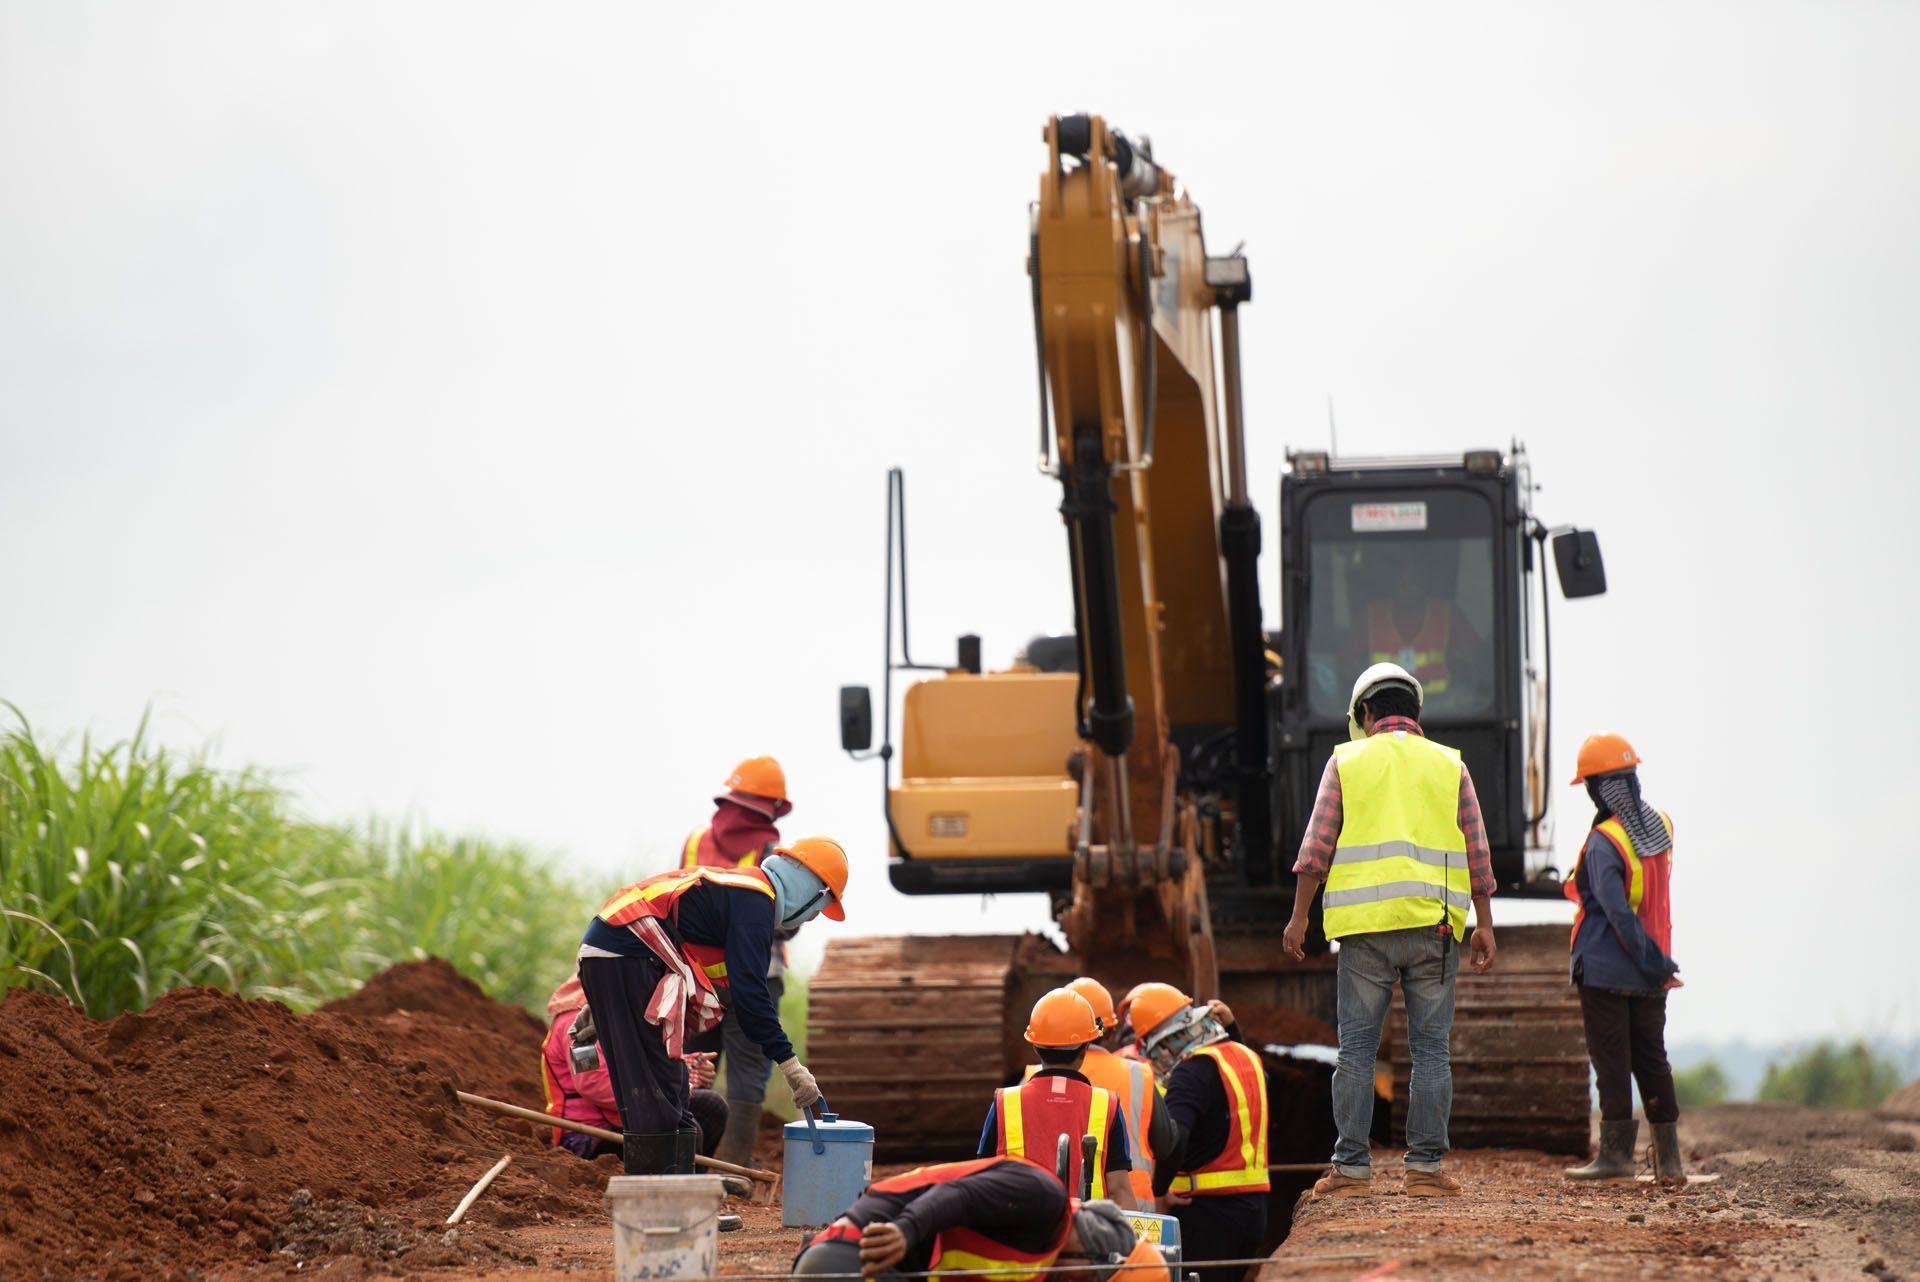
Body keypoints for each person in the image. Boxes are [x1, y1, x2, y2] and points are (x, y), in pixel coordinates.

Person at [1282, 662, 1498, 1199]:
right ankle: (1424, 1168)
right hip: (1434, 929)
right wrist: (1485, 925)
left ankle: (1351, 1169)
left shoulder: (1346, 763)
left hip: (1364, 932)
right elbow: (1477, 851)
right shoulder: (1450, 767)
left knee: (1355, 1050)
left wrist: (1299, 917)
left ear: (1364, 713)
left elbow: (1316, 850)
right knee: (1431, 1052)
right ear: (1415, 712)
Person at [574, 836, 848, 1174]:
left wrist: (606, 999)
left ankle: (680, 1197)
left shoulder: (740, 890)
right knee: (655, 1087)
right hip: (625, 957)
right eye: (821, 908)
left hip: (617, 956)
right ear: (811, 889)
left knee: (667, 1084)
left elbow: (667, 940)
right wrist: (791, 1066)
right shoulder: (755, 901)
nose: (813, 918)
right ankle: (664, 1204)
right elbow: (751, 998)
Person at [1561, 733, 1684, 1185]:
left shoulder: (1603, 842)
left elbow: (1615, 911)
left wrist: (1650, 962)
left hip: (1609, 968)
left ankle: (1615, 1157)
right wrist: (1658, 965)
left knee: (1612, 1061)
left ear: (1599, 788)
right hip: (1653, 968)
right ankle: (1669, 1163)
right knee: (1652, 1060)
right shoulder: (1662, 828)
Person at [681, 756, 798, 1168]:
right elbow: (786, 919)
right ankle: (732, 1168)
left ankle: (684, 1159)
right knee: (748, 1072)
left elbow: (677, 901)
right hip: (757, 976)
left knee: (692, 1063)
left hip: (696, 976)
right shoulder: (772, 851)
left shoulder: (696, 840)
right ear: (773, 808)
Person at [789, 1153, 1162, 1282]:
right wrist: (906, 1230)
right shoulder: (1043, 1200)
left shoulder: (1038, 1255)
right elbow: (956, 1195)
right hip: (853, 1260)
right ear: (1095, 1261)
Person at [1126, 983, 1268, 1282]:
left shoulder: (1190, 1073)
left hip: (1207, 1214)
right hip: (1253, 1210)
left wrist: (1160, 1191)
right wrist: (1234, 1029)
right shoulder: (1244, 1056)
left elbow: (1175, 1142)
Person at [538, 975, 727, 1160]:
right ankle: (682, 1186)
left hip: (626, 1117)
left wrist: (685, 1065)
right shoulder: (578, 1020)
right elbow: (592, 1083)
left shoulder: (615, 1009)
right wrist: (661, 1095)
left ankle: (696, 1183)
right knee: (683, 1129)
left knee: (711, 1106)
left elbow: (639, 1061)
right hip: (589, 1137)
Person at [980, 989, 1138, 1208]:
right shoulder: (1107, 1105)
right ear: (1085, 1048)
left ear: (1035, 1046)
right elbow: (1119, 1190)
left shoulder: (1005, 1102)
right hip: (1086, 1236)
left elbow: (982, 1180)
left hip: (1018, 1236)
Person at [1048, 977, 1170, 1203]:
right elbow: (1166, 1143)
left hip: (1053, 1207)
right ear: (1111, 1031)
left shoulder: (1028, 1081)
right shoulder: (1137, 1074)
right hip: (1131, 1208)